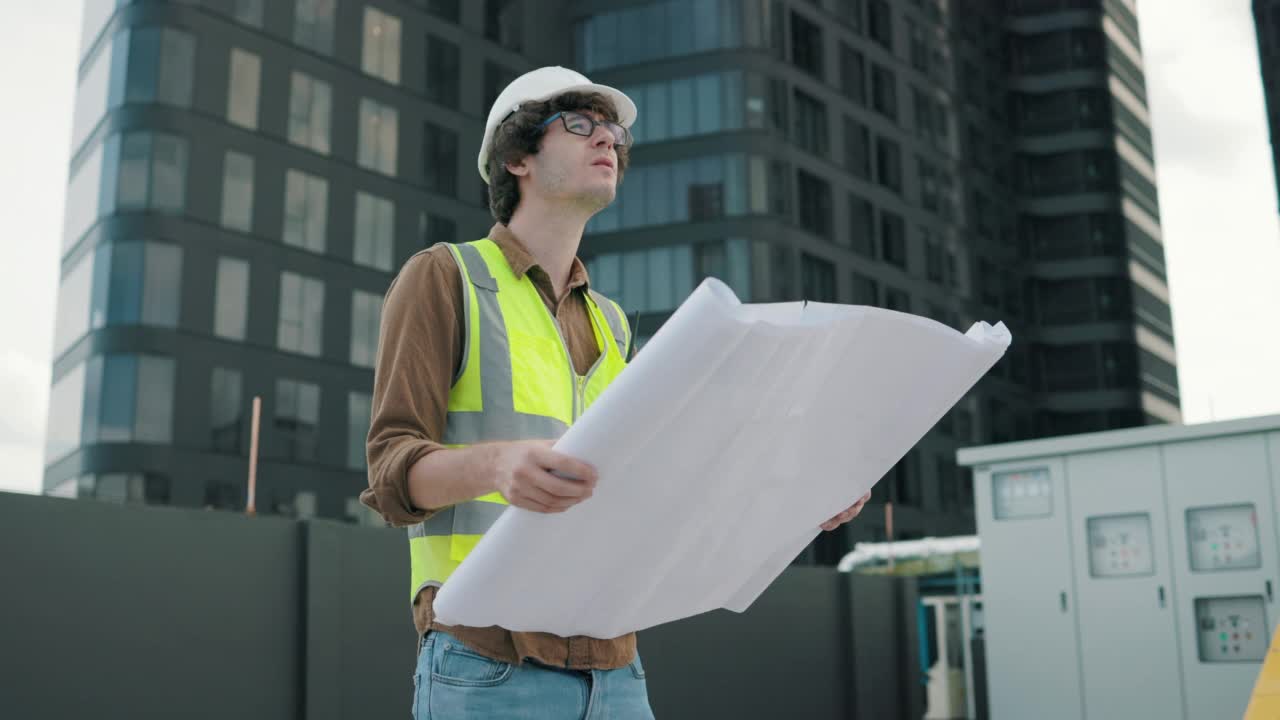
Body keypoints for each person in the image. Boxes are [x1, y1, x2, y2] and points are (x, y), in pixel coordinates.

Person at [360, 66, 871, 719]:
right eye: (580, 124)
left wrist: (802, 495)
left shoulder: (612, 323)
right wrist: (497, 464)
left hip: (617, 672)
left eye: (614, 132)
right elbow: (390, 475)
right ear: (516, 156)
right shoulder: (445, 278)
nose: (608, 140)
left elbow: (661, 485)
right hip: (487, 664)